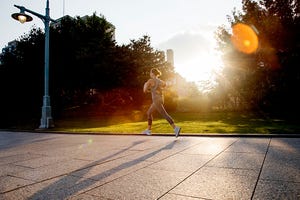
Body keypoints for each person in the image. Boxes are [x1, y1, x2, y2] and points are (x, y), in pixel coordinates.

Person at [142, 68, 181, 137]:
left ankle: (175, 128)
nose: (150, 74)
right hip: (160, 99)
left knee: (164, 114)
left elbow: (144, 91)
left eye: (150, 72)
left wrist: (145, 85)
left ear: (153, 73)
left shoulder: (150, 80)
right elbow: (165, 86)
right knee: (149, 113)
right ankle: (148, 130)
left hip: (156, 99)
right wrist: (156, 90)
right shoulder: (160, 81)